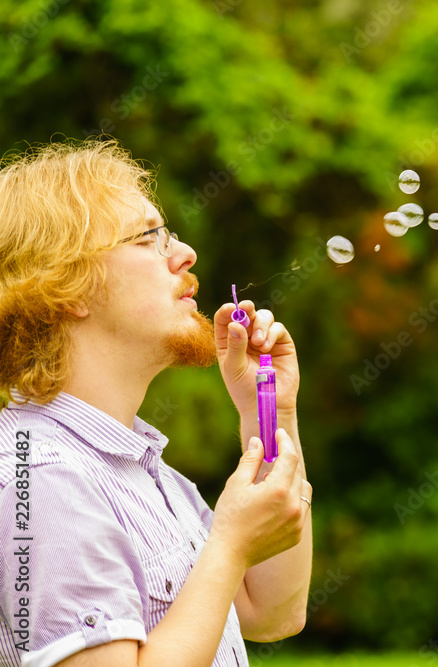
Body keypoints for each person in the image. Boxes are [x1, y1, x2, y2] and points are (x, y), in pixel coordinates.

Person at [0, 139, 313, 666]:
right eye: (149, 237)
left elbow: (275, 611)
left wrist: (270, 412)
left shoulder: (145, 472)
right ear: (68, 286)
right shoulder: (43, 476)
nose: (185, 254)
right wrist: (229, 544)